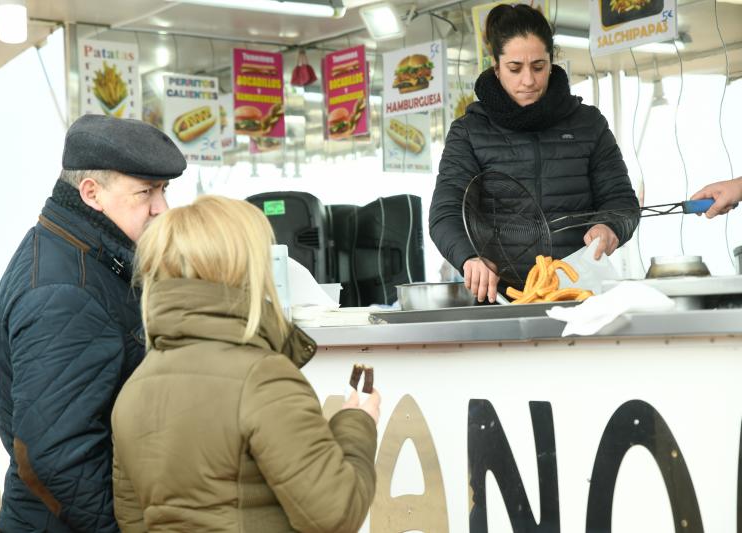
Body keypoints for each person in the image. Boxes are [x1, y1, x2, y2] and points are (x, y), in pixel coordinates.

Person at [111, 195, 380, 533]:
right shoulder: (263, 378)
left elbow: (132, 521)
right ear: (242, 265)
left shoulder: (134, 389)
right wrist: (356, 425)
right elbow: (335, 514)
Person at [0, 114, 186, 532]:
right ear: (91, 193)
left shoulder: (80, 254)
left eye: (164, 190)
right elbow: (53, 453)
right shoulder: (65, 289)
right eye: (146, 192)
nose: (162, 208)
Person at [430, 4, 640, 303]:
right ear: (496, 67)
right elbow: (446, 212)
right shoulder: (469, 132)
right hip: (500, 297)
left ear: (552, 63)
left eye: (539, 67)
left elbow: (621, 200)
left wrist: (610, 226)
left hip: (580, 292)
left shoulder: (589, 124)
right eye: (515, 68)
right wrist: (468, 257)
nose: (528, 80)